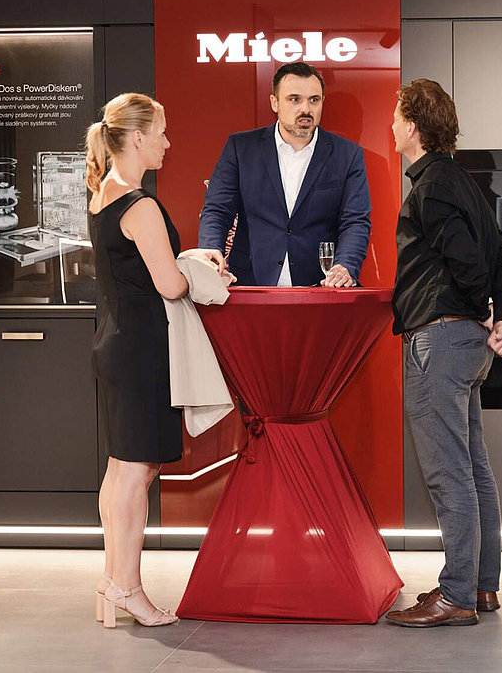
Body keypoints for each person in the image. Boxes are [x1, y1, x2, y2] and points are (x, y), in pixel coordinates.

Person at [386, 79, 502, 628]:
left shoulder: (432, 187)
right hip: (469, 346)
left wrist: (483, 306)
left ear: (413, 126)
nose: (391, 126)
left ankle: (457, 593)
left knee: (449, 473)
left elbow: (469, 262)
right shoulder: (464, 182)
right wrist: (501, 315)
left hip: (439, 341)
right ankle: (482, 587)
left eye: (397, 117)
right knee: (474, 469)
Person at [87, 93, 186, 628]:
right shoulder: (140, 205)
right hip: (142, 348)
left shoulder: (104, 194)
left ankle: (113, 581)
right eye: (162, 132)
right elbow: (169, 284)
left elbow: (138, 270)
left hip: (116, 342)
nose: (168, 142)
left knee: (121, 469)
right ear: (139, 137)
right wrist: (200, 272)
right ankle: (128, 587)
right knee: (136, 471)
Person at [197, 61, 371, 287]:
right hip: (251, 284)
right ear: (275, 102)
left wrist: (346, 265)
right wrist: (211, 249)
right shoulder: (241, 148)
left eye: (314, 100)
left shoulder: (347, 154)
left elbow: (355, 221)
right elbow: (217, 209)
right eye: (294, 99)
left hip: (321, 286)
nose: (305, 109)